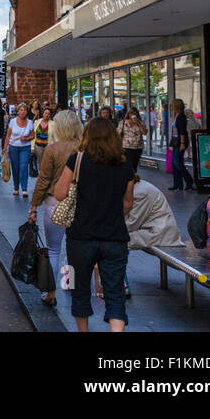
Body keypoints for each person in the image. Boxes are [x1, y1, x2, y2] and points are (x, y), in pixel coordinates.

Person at [53, 117, 135, 332]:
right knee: (115, 292)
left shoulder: (77, 160)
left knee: (79, 289)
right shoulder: (124, 164)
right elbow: (128, 203)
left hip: (81, 237)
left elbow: (60, 193)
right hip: (115, 237)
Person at [29, 110, 83, 308]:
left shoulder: (53, 149)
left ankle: (50, 292)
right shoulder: (83, 149)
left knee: (53, 250)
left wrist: (34, 205)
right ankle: (68, 283)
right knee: (73, 249)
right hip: (78, 204)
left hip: (54, 202)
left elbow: (43, 180)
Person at [4, 103, 35, 198]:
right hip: (13, 147)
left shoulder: (30, 122)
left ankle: (24, 189)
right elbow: (8, 135)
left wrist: (26, 139)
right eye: (21, 110)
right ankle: (16, 188)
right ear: (18, 111)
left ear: (27, 112)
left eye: (24, 110)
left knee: (24, 166)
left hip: (25, 147)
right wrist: (5, 148)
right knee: (15, 167)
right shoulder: (13, 121)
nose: (23, 112)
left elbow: (33, 135)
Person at [169, 98, 195, 191]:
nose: (171, 106)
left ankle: (189, 181)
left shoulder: (181, 116)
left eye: (172, 104)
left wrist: (183, 144)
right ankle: (177, 184)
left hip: (180, 141)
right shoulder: (177, 115)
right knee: (175, 163)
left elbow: (182, 131)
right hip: (176, 141)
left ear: (176, 105)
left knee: (177, 162)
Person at [118, 107, 145, 175]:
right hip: (126, 147)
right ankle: (129, 180)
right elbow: (117, 133)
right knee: (128, 165)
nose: (133, 115)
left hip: (138, 147)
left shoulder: (140, 122)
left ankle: (134, 179)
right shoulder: (123, 122)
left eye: (135, 113)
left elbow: (144, 132)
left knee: (134, 165)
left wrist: (139, 124)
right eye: (131, 113)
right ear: (128, 114)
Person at [31, 109, 52, 177]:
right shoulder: (37, 122)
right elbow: (33, 135)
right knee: (40, 162)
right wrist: (32, 147)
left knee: (47, 162)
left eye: (48, 113)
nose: (47, 115)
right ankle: (41, 175)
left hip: (48, 146)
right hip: (38, 145)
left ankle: (46, 175)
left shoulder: (53, 124)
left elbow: (54, 136)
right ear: (42, 114)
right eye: (45, 113)